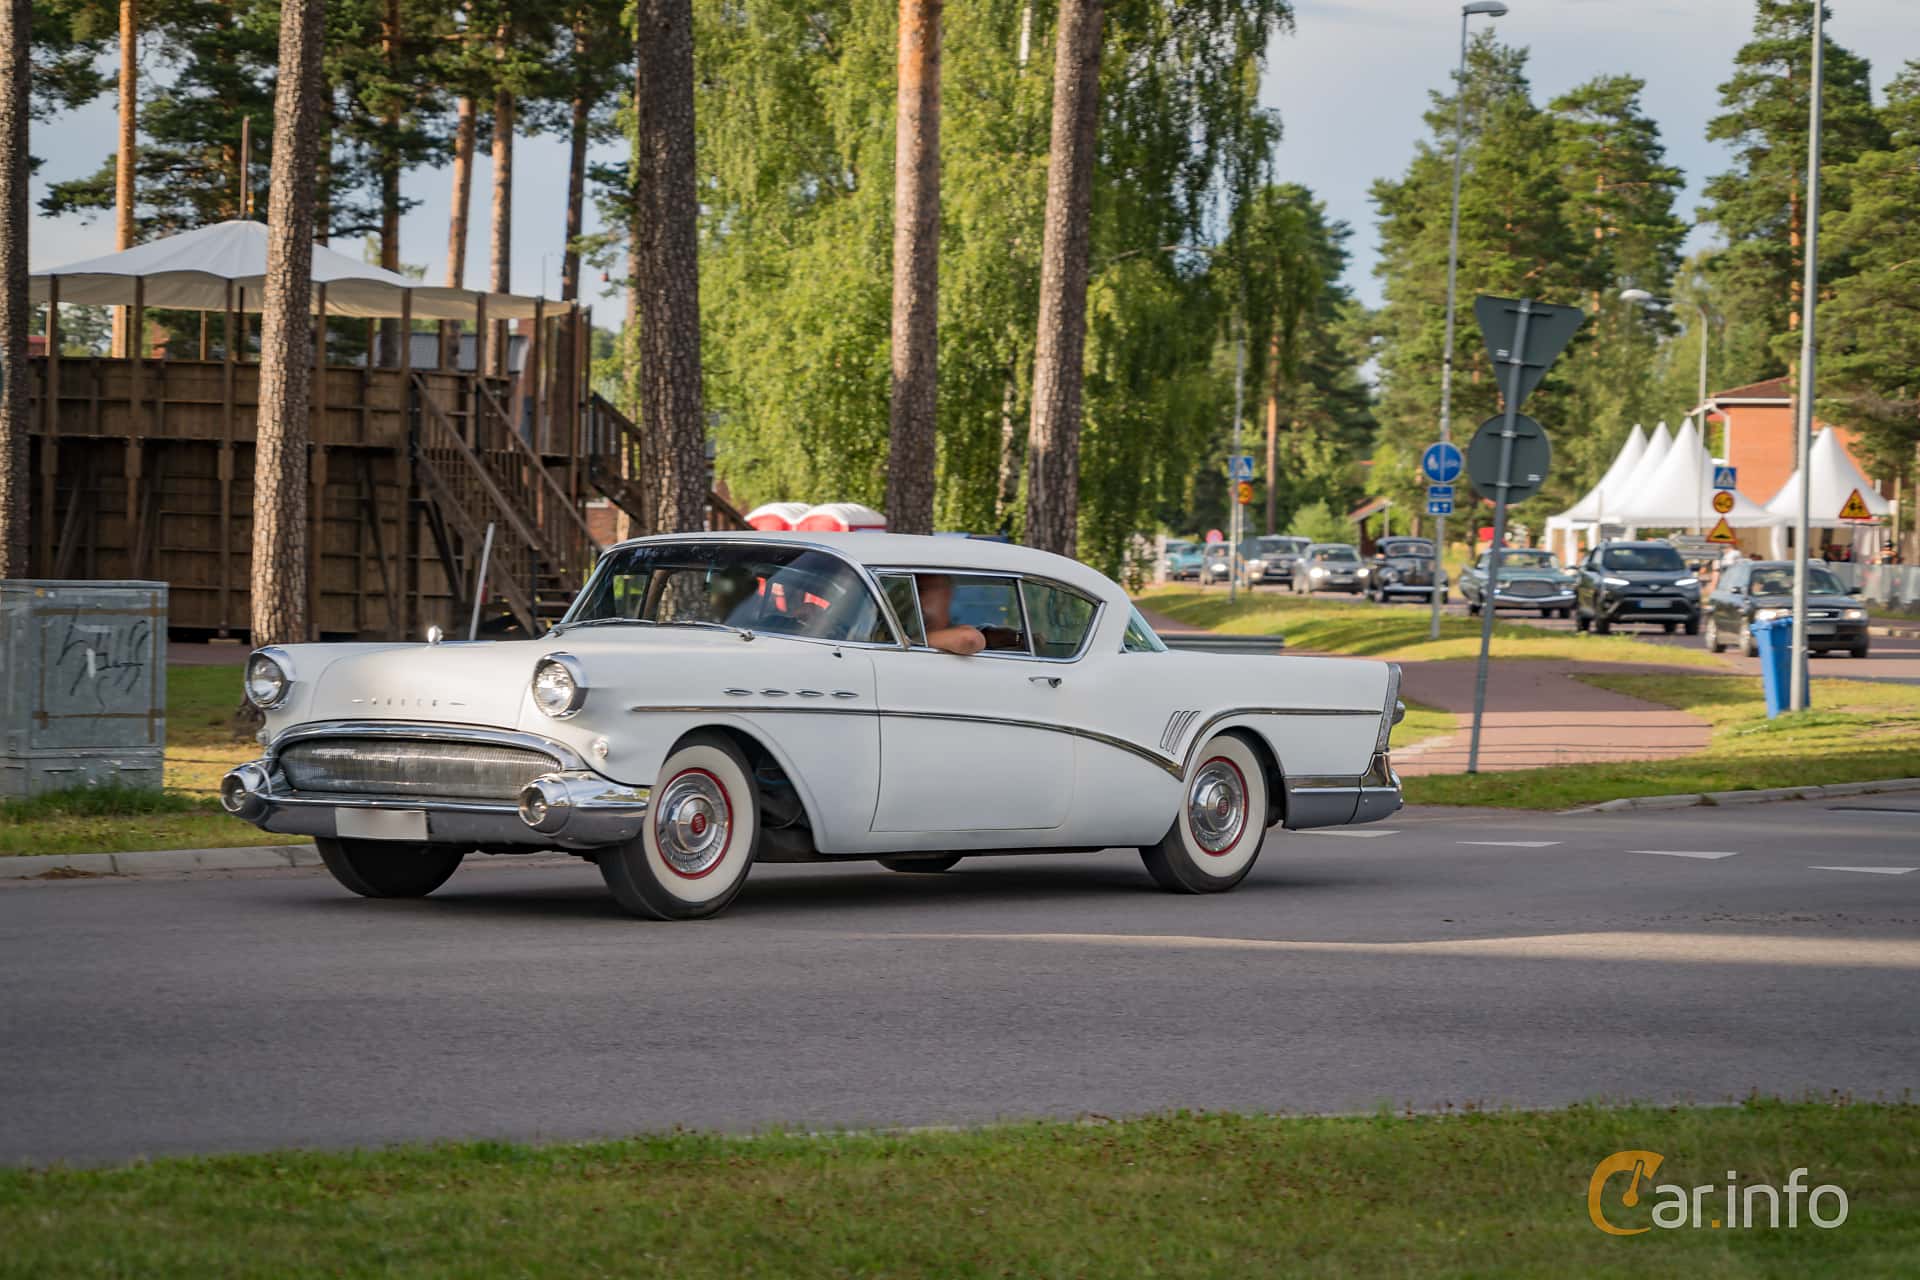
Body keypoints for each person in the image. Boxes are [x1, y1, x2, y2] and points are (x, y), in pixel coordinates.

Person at [916, 574, 987, 655]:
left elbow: (969, 639)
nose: (918, 598)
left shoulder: (957, 631)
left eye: (921, 590)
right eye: (917, 591)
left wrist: (916, 640)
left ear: (947, 594)